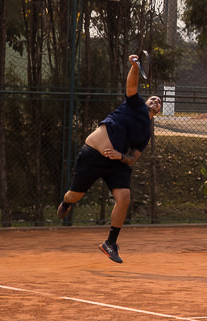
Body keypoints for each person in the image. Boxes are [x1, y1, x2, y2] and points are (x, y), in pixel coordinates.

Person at [57, 55, 162, 264]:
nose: (156, 101)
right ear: (145, 101)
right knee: (75, 195)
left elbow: (132, 158)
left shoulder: (145, 133)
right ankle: (67, 201)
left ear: (159, 111)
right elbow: (131, 85)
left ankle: (110, 243)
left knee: (124, 198)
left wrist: (120, 156)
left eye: (159, 102)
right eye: (153, 99)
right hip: (92, 155)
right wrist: (134, 66)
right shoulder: (135, 105)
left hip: (116, 162)